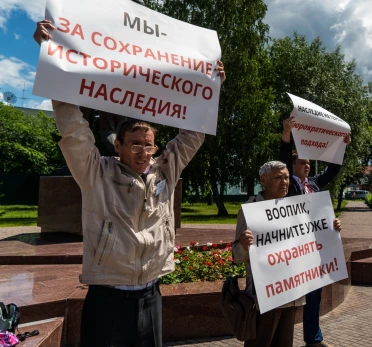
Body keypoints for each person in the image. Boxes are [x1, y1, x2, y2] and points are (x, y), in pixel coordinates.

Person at [34, 17, 225, 347]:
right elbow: (74, 131)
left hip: (151, 295)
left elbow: (194, 133)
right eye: (135, 143)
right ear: (117, 145)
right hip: (107, 298)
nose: (143, 151)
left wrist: (212, 87)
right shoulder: (97, 173)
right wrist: (53, 61)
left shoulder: (166, 171)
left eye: (148, 144)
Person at [232, 161, 343, 347]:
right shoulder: (250, 211)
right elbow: (237, 257)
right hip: (264, 298)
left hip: (291, 294)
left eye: (286, 177)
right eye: (278, 178)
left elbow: (309, 240)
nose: (284, 182)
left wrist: (331, 230)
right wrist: (243, 246)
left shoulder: (296, 208)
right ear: (263, 180)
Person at [34, 0, 148, 157]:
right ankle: (119, 161)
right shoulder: (95, 19)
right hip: (93, 76)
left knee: (105, 128)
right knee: (83, 125)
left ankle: (123, 161)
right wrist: (49, 42)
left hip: (117, 77)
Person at [279, 115, 351, 347]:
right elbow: (283, 157)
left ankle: (313, 339)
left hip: (315, 248)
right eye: (302, 162)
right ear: (292, 167)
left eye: (309, 162)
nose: (307, 165)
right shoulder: (290, 185)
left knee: (315, 295)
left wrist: (342, 146)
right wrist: (286, 134)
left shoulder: (315, 183)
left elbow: (334, 169)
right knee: (289, 297)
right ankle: (280, 339)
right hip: (295, 247)